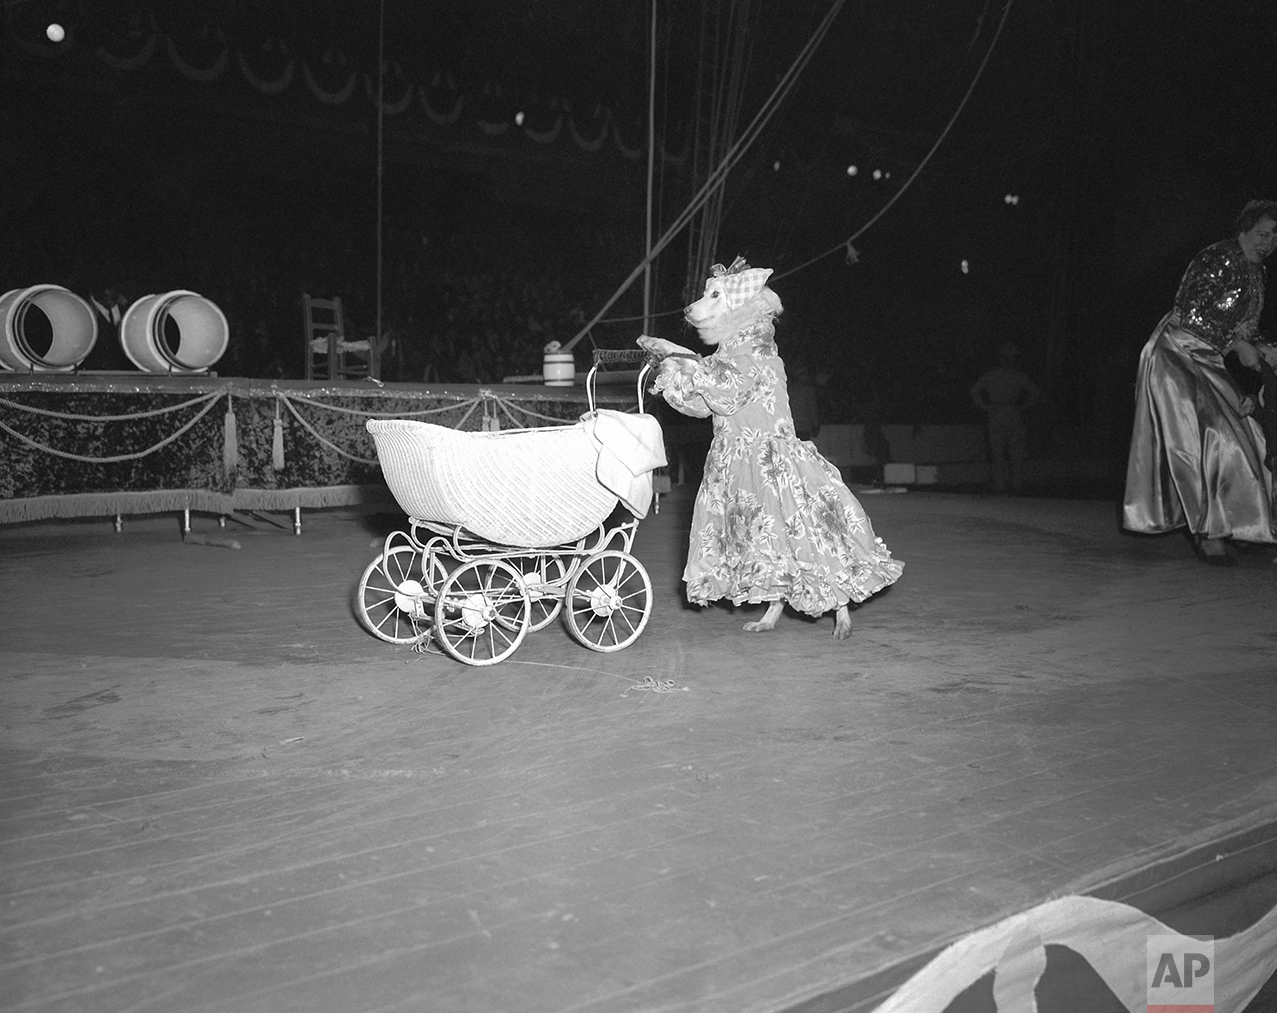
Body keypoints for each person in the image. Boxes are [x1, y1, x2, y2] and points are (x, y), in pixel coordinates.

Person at [1123, 199, 1277, 564]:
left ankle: (1239, 523)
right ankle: (1209, 532)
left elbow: (1245, 328)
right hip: (1176, 352)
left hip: (1208, 358)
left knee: (1247, 436)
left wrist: (1261, 348)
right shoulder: (1218, 257)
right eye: (1262, 233)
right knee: (1207, 440)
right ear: (1242, 230)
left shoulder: (1260, 273)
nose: (1268, 242)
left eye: (1274, 237)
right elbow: (1191, 313)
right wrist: (1237, 345)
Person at [970, 341, 1041, 494]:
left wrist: (985, 407)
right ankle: (1015, 484)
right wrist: (1023, 407)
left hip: (998, 411)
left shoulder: (993, 375)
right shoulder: (1018, 376)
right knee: (1013, 451)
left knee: (1000, 452)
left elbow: (975, 391)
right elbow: (1035, 394)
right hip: (1010, 411)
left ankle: (1000, 485)